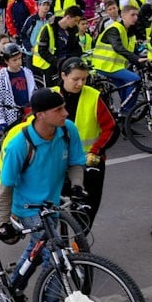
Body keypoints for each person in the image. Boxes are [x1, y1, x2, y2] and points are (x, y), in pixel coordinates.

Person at [0, 89, 85, 302]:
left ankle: (14, 286)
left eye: (64, 107)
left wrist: (77, 186)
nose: (66, 113)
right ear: (41, 115)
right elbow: (6, 187)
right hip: (27, 208)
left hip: (52, 206)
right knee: (53, 256)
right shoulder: (20, 144)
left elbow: (75, 162)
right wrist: (3, 222)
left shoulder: (67, 131)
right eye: (59, 110)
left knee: (38, 247)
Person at [53, 58, 118, 229]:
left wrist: (96, 151)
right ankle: (52, 248)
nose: (80, 83)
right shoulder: (51, 95)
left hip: (88, 160)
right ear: (63, 76)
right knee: (53, 208)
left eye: (84, 79)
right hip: (56, 160)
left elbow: (111, 128)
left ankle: (78, 246)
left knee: (87, 208)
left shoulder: (94, 97)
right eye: (75, 79)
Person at [90, 4, 147, 115]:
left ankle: (122, 110)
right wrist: (136, 59)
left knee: (126, 86)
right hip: (105, 65)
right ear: (123, 15)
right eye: (132, 15)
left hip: (116, 66)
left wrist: (144, 59)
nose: (135, 17)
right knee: (135, 79)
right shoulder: (114, 29)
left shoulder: (130, 33)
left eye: (137, 15)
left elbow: (133, 51)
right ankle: (126, 111)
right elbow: (118, 47)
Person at [0, 43, 35, 131]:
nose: (18, 62)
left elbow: (34, 90)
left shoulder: (27, 73)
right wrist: (1, 119)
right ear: (6, 61)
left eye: (19, 58)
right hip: (11, 116)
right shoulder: (3, 77)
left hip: (27, 112)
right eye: (14, 60)